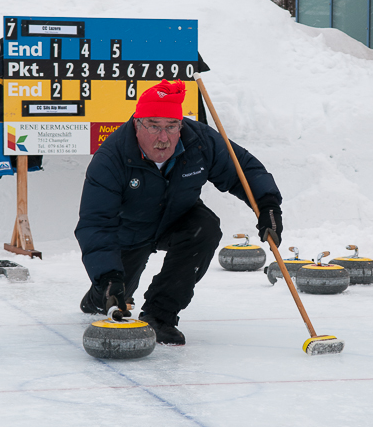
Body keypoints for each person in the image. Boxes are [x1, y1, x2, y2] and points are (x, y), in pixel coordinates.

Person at [75, 79, 282, 346]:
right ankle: (99, 293)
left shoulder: (200, 141)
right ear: (137, 124)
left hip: (177, 218)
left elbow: (243, 170)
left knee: (205, 227)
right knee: (116, 288)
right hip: (130, 230)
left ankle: (160, 315)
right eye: (154, 126)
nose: (164, 137)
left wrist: (268, 205)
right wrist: (108, 277)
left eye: (171, 126)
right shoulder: (111, 157)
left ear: (180, 125)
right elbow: (96, 223)